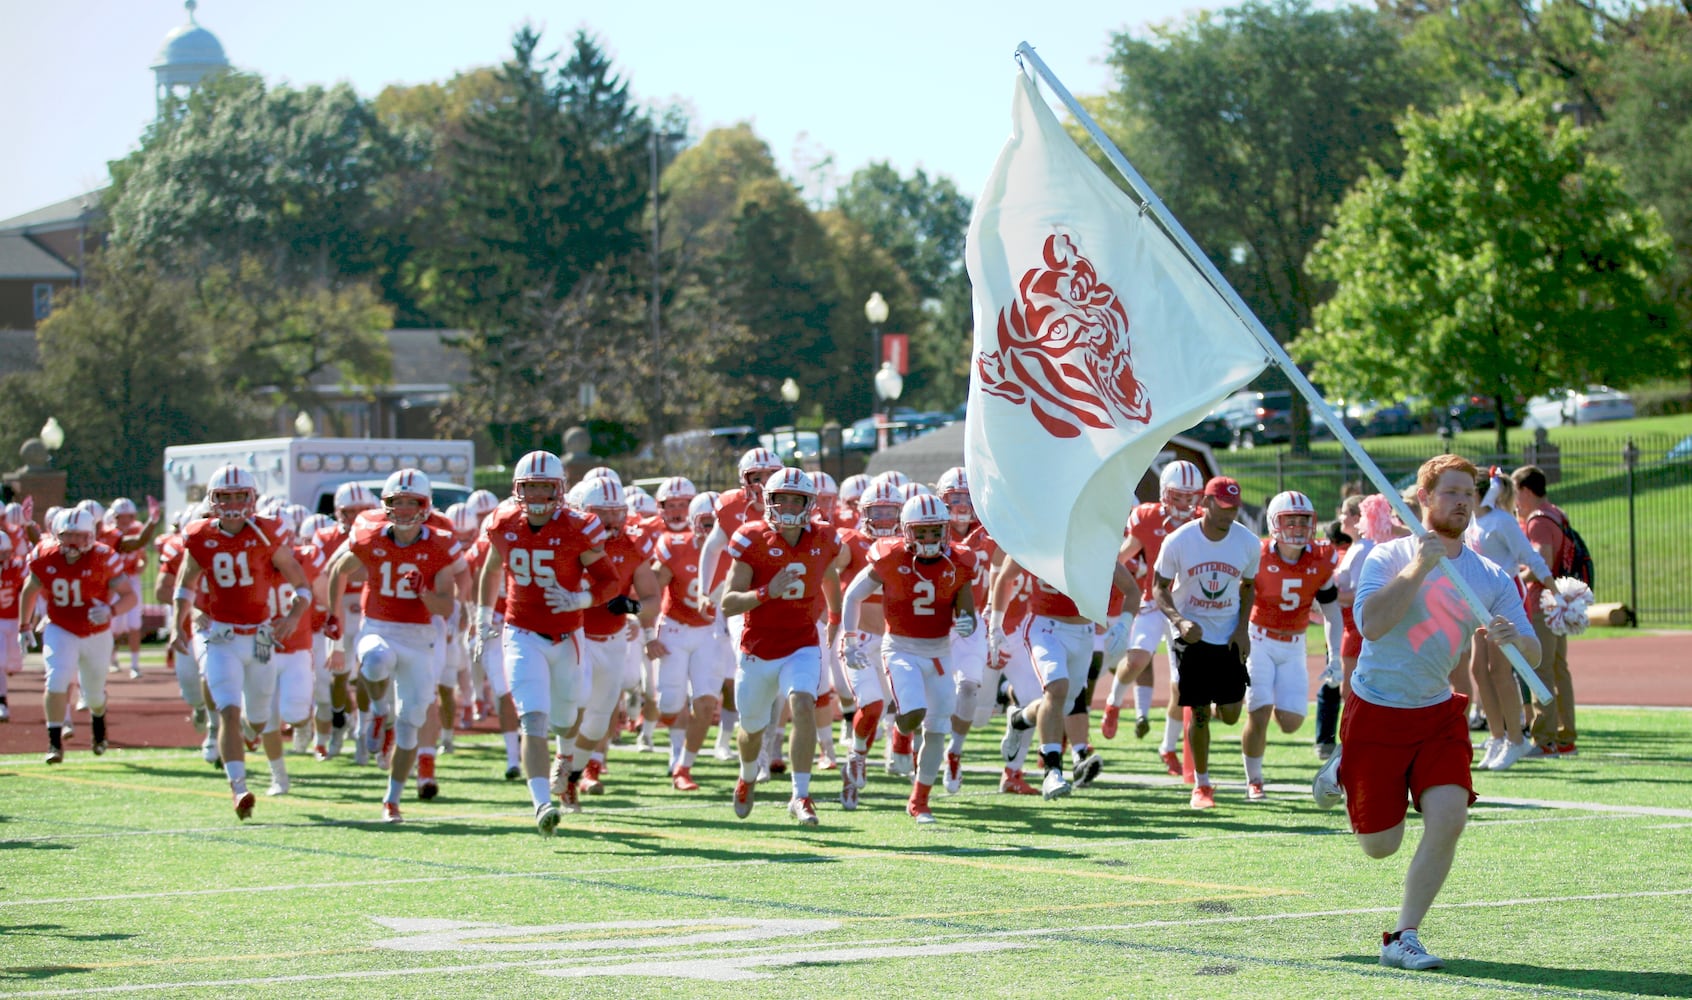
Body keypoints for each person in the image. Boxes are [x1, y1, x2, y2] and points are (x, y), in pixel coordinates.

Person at [1313, 454, 1539, 971]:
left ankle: (1404, 935)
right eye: (1452, 492)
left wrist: (1514, 643)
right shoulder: (1388, 556)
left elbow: (1533, 653)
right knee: (1379, 846)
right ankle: (1343, 769)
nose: (1463, 501)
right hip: (1376, 709)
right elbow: (1371, 625)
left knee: (1449, 818)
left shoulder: (1488, 575)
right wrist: (1421, 565)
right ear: (1423, 499)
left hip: (1437, 713)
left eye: (1470, 493)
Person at [475, 451, 622, 836]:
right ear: (517, 490)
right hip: (521, 632)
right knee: (533, 718)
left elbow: (610, 581)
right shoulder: (504, 522)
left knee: (565, 715)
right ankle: (542, 803)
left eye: (545, 486)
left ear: (558, 489)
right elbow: (491, 570)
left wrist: (581, 599)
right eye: (531, 487)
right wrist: (481, 615)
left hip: (567, 635)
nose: (538, 494)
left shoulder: (579, 526)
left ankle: (566, 754)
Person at [169, 466, 310, 821]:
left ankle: (253, 734)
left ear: (252, 498)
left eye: (239, 495)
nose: (232, 503)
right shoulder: (200, 534)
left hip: (260, 636)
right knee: (228, 711)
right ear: (212, 500)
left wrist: (292, 616)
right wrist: (177, 625)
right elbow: (185, 586)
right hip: (221, 636)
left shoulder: (266, 532)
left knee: (259, 720)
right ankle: (238, 787)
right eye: (224, 496)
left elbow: (302, 585)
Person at [324, 470, 462, 823]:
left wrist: (424, 593)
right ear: (385, 506)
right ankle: (378, 712)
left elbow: (446, 605)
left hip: (420, 637)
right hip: (380, 626)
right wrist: (333, 619)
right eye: (396, 502)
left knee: (411, 722)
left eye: (410, 502)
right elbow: (338, 570)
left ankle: (392, 799)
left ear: (424, 505)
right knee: (374, 658)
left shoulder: (439, 543)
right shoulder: (370, 535)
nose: (402, 509)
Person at [838, 493, 975, 823]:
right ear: (907, 532)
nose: (929, 539)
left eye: (934, 531)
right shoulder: (890, 555)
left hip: (939, 650)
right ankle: (896, 737)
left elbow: (965, 606)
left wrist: (967, 621)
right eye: (922, 532)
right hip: (900, 647)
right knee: (912, 712)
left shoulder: (960, 559)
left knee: (938, 730)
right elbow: (853, 595)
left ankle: (919, 801)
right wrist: (850, 638)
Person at [719, 468, 842, 825]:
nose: (788, 505)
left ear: (809, 503)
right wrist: (766, 592)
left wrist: (834, 614)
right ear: (768, 502)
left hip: (802, 641)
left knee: (803, 703)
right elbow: (728, 603)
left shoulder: (824, 538)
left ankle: (800, 795)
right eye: (782, 498)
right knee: (752, 729)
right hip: (758, 647)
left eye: (796, 499)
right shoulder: (751, 538)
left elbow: (829, 573)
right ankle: (746, 776)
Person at [1151, 476, 1259, 810]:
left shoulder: (1247, 542)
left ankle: (1216, 702)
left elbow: (1248, 586)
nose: (1229, 515)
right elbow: (1158, 587)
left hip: (1228, 635)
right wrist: (1179, 621)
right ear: (1207, 503)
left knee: (1229, 714)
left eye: (1235, 508)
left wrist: (1242, 629)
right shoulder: (1178, 541)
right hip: (1191, 635)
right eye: (1224, 507)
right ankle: (1202, 784)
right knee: (1197, 713)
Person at [1238, 491, 1342, 800]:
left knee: (1292, 723)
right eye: (1290, 521)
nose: (1297, 528)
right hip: (1259, 639)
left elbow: (1332, 612)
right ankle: (1254, 779)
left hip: (1295, 644)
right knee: (1260, 710)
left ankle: (1258, 696)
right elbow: (1238, 602)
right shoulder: (1257, 555)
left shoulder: (1321, 558)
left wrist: (1335, 657)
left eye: (1303, 521)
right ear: (1274, 523)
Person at [1103, 461, 1204, 771]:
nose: (1186, 504)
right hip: (1152, 602)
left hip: (1186, 610)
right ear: (1164, 494)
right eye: (1179, 496)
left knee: (1180, 685)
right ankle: (1113, 702)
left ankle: (1168, 747)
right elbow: (1122, 555)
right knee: (1135, 660)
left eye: (1191, 497)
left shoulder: (1203, 522)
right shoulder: (1147, 518)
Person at [19, 508, 137, 763]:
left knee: (94, 695)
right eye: (67, 535)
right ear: (56, 535)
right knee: (56, 680)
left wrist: (111, 610)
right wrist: (24, 626)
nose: (73, 542)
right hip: (60, 626)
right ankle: (54, 743)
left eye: (79, 536)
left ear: (91, 535)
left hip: (97, 632)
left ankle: (98, 722)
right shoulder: (45, 555)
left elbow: (130, 595)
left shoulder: (104, 557)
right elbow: (29, 590)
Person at [1466, 469, 1557, 770]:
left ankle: (1516, 738)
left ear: (1478, 492)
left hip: (1506, 597)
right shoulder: (1472, 523)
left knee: (1500, 670)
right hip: (1480, 599)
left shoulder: (1502, 521)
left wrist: (1555, 590)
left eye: (1467, 492)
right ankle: (1497, 735)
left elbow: (1529, 556)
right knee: (1479, 670)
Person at [1511, 465, 1577, 756]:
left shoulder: (1538, 521)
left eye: (1515, 492)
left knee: (1541, 669)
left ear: (1525, 491)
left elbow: (1542, 563)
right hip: (1559, 601)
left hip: (1542, 603)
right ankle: (1565, 735)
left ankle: (1545, 738)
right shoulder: (1556, 512)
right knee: (1559, 669)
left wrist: (1513, 578)